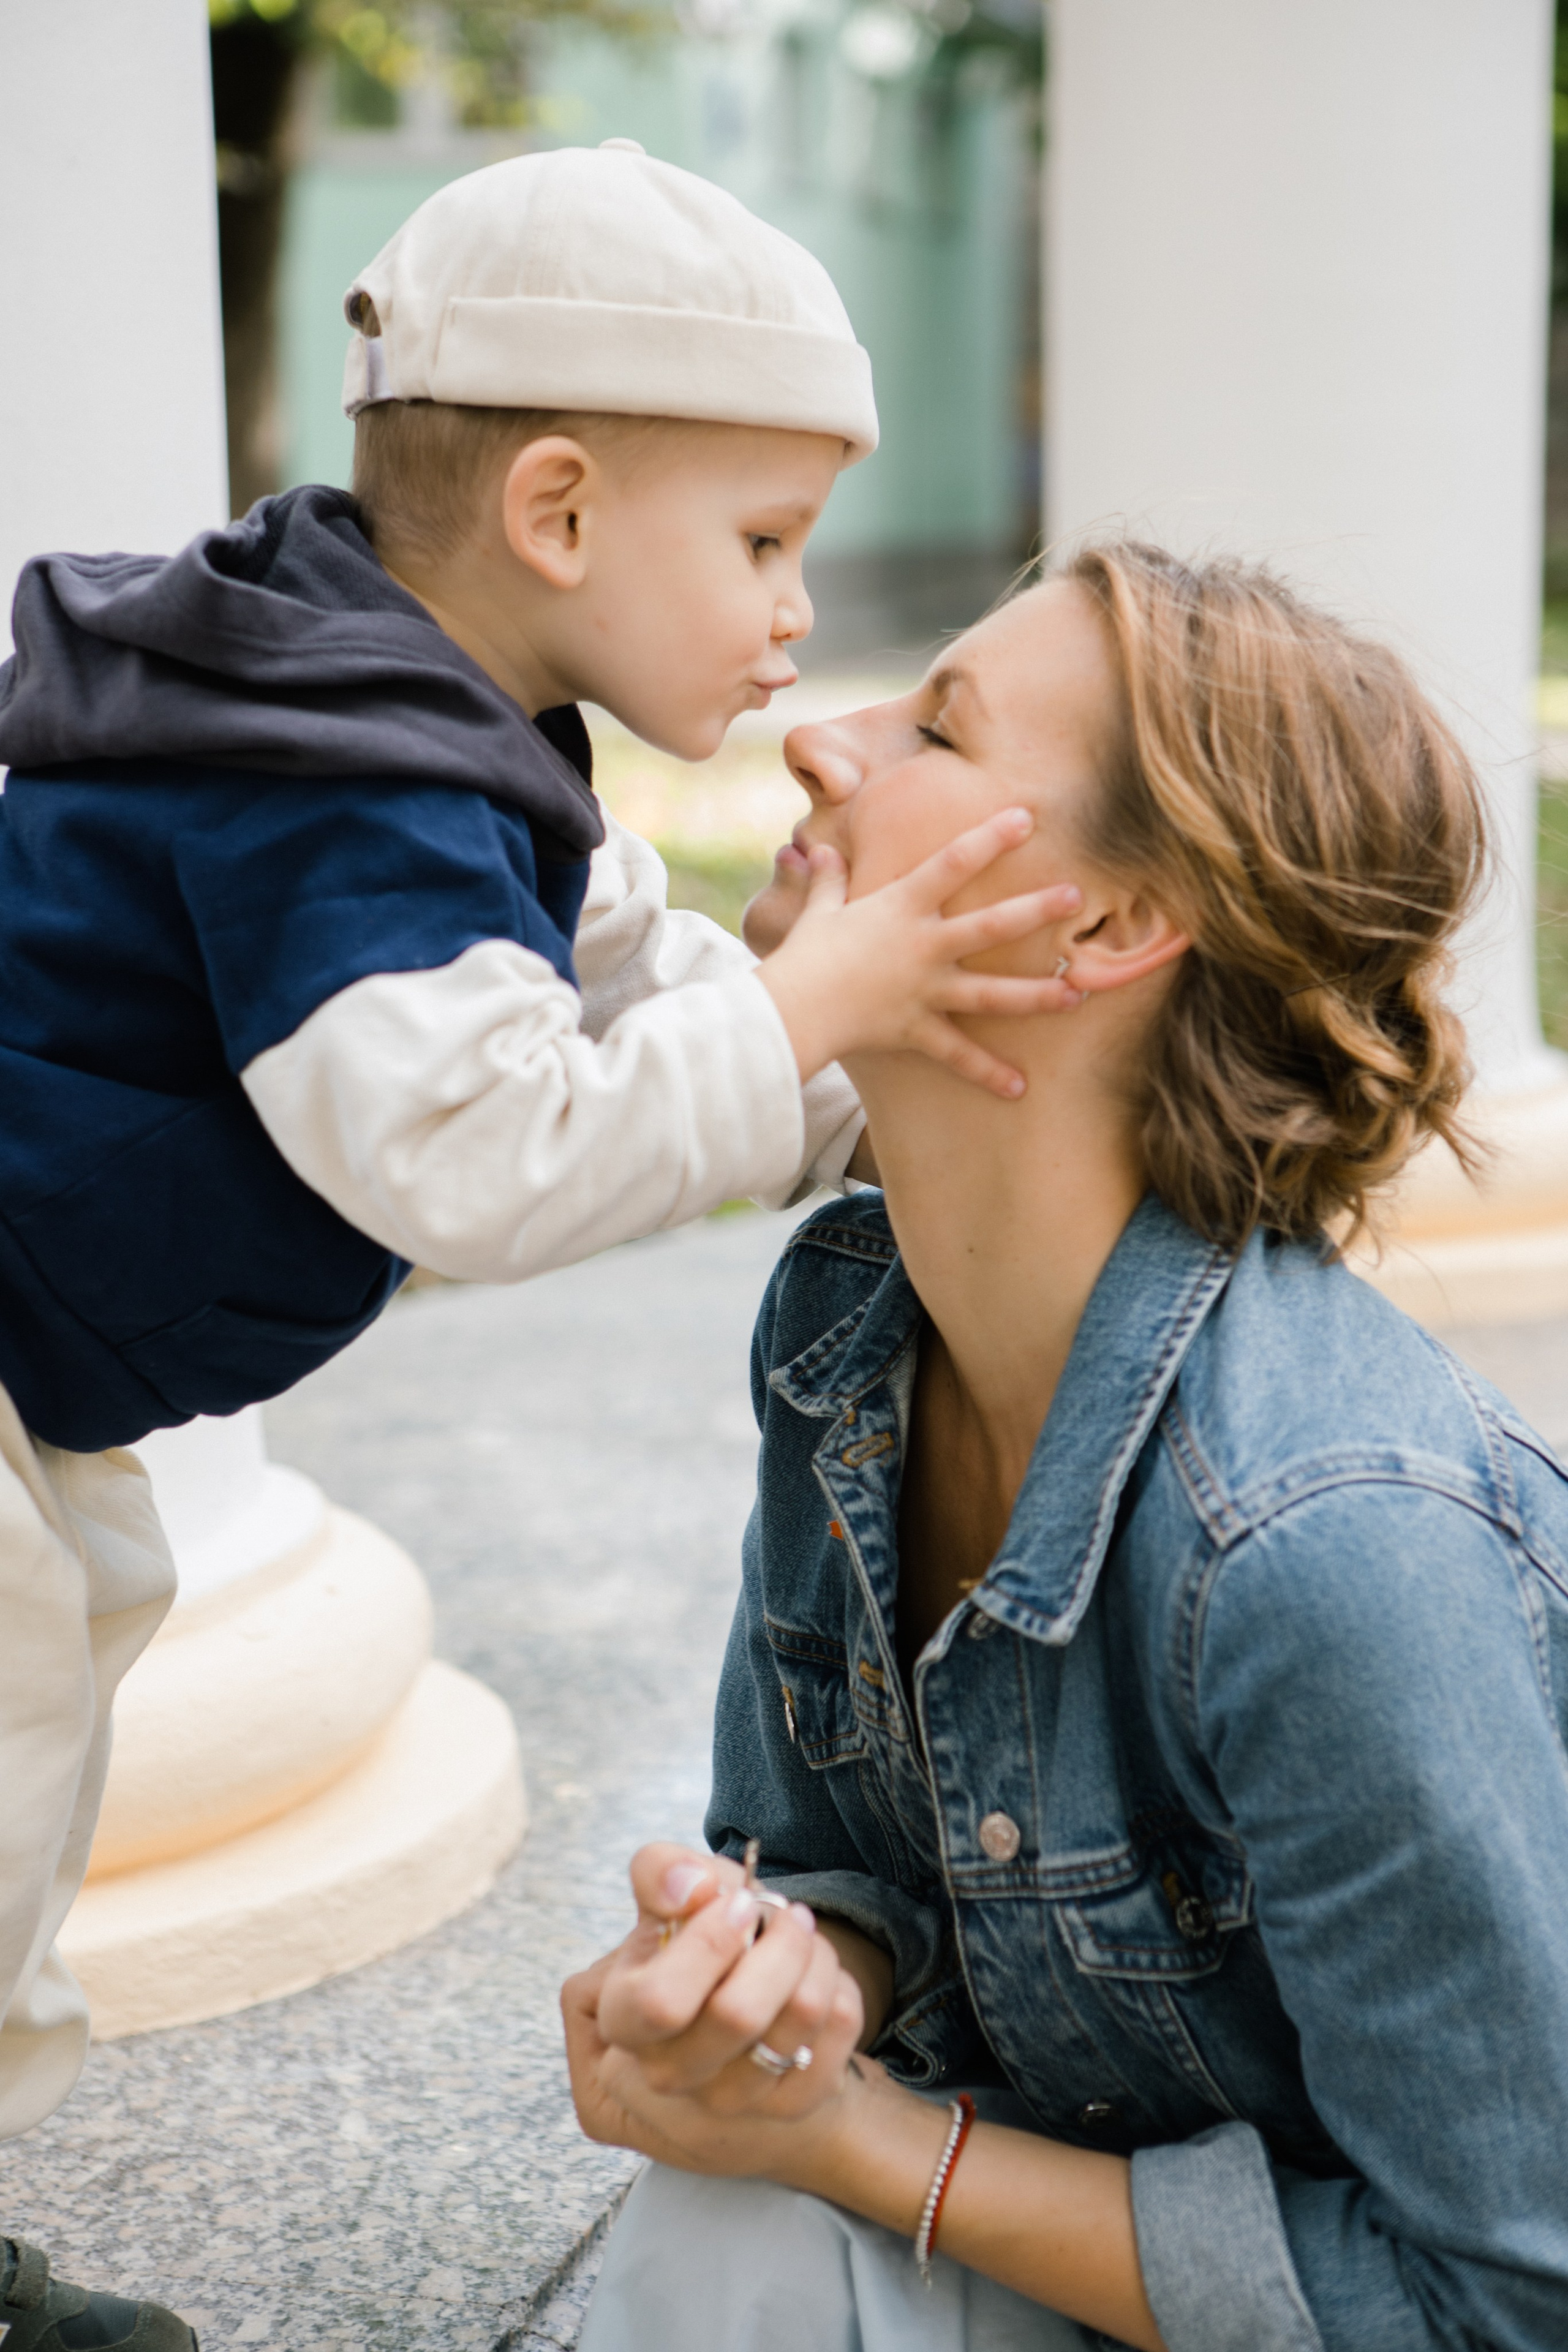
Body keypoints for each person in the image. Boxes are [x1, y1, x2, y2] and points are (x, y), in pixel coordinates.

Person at [0, 145, 1083, 2351]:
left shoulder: (433, 724)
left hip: (42, 1375)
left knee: (35, 1727)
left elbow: (631, 980)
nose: (798, 615)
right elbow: (483, 1159)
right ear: (560, 516)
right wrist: (818, 1008)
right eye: (763, 545)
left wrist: (890, 1093)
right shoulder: (333, 781)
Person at [564, 542, 1568, 2351]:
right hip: (1106, 2223)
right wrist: (761, 1990)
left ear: (1102, 928)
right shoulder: (848, 1330)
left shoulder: (1325, 1544)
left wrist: (866, 2143)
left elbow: (1503, 2303)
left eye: (940, 727)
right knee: (722, 2216)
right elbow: (834, 1862)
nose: (821, 740)